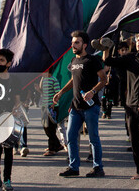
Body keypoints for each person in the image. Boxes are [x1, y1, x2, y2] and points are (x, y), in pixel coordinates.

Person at [54, 30, 107, 178]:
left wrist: (92, 91)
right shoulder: (73, 61)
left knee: (93, 138)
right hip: (76, 107)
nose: (73, 45)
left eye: (76, 42)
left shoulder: (92, 60)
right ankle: (74, 167)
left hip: (91, 107)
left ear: (84, 44)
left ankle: (98, 168)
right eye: (72, 43)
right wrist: (61, 92)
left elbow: (104, 80)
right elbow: (73, 81)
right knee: (71, 137)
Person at [103, 31, 139, 183]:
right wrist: (106, 47)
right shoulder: (129, 58)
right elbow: (108, 61)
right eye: (138, 40)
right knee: (135, 140)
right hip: (131, 105)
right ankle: (138, 169)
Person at [0, 48, 21, 191]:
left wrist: (16, 107)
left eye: (2, 60)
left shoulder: (13, 80)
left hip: (9, 119)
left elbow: (17, 99)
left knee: (8, 150)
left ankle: (7, 179)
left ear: (8, 63)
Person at [39, 67, 64, 157]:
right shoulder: (44, 80)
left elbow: (58, 93)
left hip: (51, 108)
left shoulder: (53, 80)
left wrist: (53, 105)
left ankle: (52, 148)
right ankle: (56, 145)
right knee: (46, 127)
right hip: (44, 106)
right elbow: (42, 90)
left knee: (50, 128)